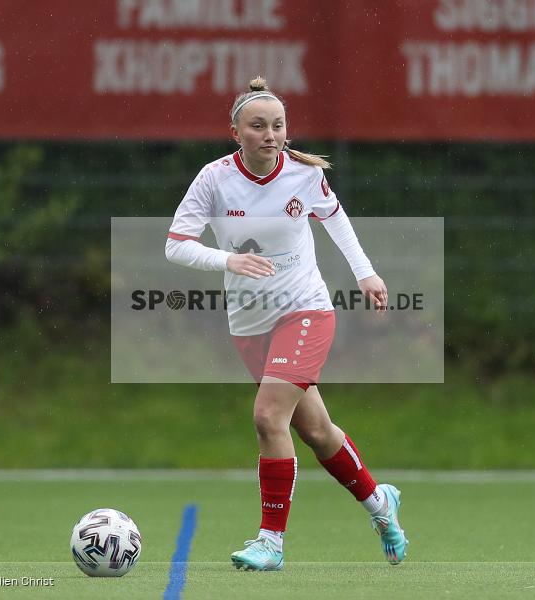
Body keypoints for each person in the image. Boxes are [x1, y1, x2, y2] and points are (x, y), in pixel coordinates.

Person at [165, 76, 408, 571]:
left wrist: (365, 273)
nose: (270, 135)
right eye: (258, 126)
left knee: (266, 417)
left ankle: (270, 542)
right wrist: (226, 262)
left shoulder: (301, 174)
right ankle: (381, 505)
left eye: (278, 126)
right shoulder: (213, 179)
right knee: (317, 431)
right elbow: (176, 244)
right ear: (236, 132)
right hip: (249, 325)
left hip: (306, 310)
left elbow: (334, 217)